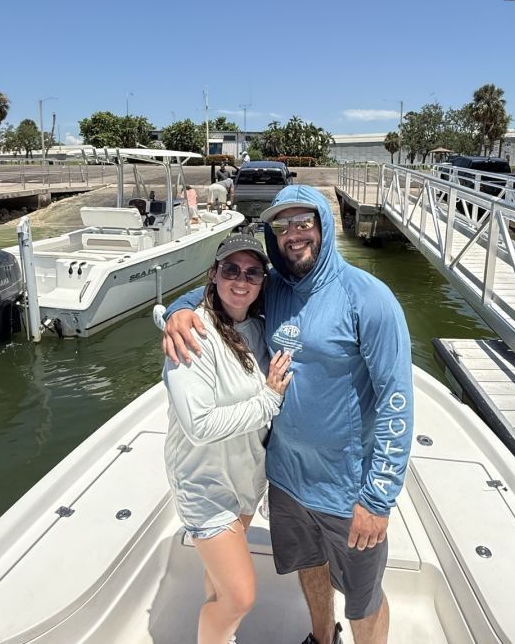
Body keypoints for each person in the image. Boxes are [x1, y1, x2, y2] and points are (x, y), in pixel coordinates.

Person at [161, 186, 414, 644]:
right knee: (310, 572)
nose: (294, 234)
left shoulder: (368, 298)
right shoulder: (272, 288)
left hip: (347, 488)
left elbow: (397, 400)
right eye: (282, 225)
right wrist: (178, 312)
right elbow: (223, 292)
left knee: (363, 596)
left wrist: (378, 498)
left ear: (324, 225)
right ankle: (322, 639)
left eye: (304, 222)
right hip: (286, 482)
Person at [162, 233, 293, 644]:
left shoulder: (256, 328)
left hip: (243, 479)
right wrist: (270, 399)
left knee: (220, 586)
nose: (242, 280)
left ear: (263, 282)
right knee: (239, 597)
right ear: (214, 273)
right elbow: (199, 425)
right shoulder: (193, 335)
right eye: (231, 269)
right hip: (204, 485)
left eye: (253, 272)